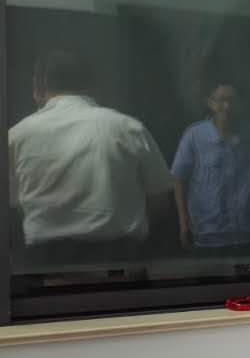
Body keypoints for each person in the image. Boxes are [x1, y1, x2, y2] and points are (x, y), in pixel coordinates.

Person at [7, 49, 172, 266]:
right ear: (94, 86)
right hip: (119, 261)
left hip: (44, 265)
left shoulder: (16, 136)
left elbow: (13, 203)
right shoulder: (129, 128)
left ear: (40, 84)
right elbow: (160, 202)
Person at [171, 82, 250, 254]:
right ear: (210, 103)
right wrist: (183, 223)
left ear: (241, 104)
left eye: (232, 101)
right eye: (221, 100)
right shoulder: (194, 136)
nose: (227, 106)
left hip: (249, 233)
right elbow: (178, 178)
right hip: (207, 234)